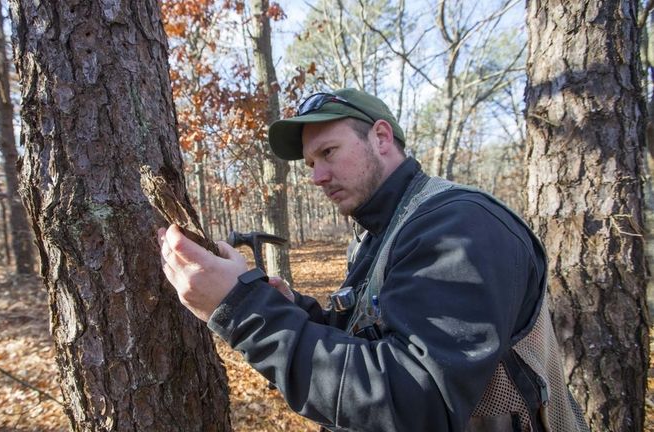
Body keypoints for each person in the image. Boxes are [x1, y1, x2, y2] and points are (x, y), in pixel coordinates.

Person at [158, 88, 588, 432]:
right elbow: (379, 346)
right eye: (310, 163)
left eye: (328, 152)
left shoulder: (459, 226)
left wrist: (245, 312)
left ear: (381, 137)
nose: (317, 177)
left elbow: (420, 401)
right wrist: (290, 312)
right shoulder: (381, 231)